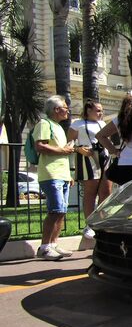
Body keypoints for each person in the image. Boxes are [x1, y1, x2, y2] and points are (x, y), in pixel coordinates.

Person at [34, 95, 76, 260]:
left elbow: (61, 151)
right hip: (51, 174)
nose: (68, 110)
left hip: (62, 174)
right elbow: (40, 146)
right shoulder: (44, 124)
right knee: (55, 210)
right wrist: (63, 151)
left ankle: (53, 244)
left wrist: (69, 175)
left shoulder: (58, 127)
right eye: (65, 107)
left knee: (61, 211)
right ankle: (44, 247)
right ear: (56, 109)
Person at [68, 100, 112, 238]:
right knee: (90, 193)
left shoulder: (103, 124)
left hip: (104, 157)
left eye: (102, 110)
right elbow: (68, 143)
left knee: (106, 191)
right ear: (88, 111)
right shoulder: (77, 124)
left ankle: (100, 221)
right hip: (87, 158)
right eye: (98, 110)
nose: (101, 113)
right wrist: (78, 149)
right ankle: (89, 224)